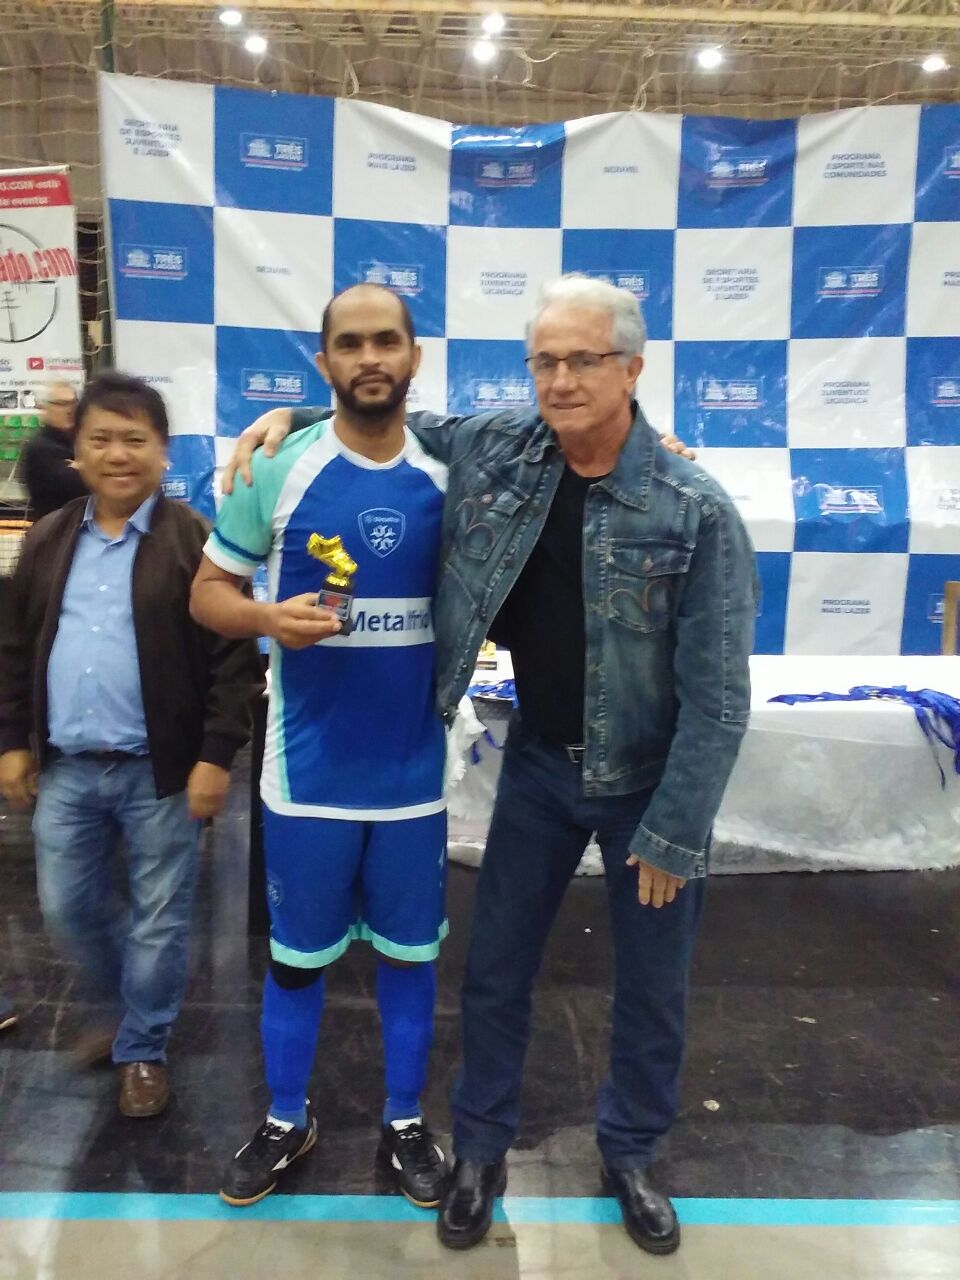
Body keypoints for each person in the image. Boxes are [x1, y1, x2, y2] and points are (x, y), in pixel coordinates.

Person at [226, 273, 756, 1256]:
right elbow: (389, 411)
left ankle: (632, 1155)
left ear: (633, 369)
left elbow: (721, 694)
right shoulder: (510, 449)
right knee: (495, 974)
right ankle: (476, 1152)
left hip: (647, 786)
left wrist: (678, 827)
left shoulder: (695, 509)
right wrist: (290, 414)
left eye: (584, 360)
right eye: (544, 361)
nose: (561, 380)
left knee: (653, 989)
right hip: (542, 772)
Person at [190, 285, 450, 1209]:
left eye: (386, 341)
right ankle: (285, 1118)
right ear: (325, 362)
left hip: (414, 779)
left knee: (410, 961)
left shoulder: (452, 471)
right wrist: (267, 618)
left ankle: (405, 1121)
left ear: (414, 356)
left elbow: (562, 448)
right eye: (350, 344)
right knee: (296, 962)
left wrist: (652, 440)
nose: (370, 357)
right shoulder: (278, 468)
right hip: (306, 780)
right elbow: (206, 594)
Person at [0, 372, 264, 1118]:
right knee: (66, 909)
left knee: (159, 920)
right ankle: (124, 1013)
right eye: (101, 440)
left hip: (162, 774)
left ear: (162, 452)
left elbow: (235, 663)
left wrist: (215, 756)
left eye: (134, 439)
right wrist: (12, 740)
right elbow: (13, 647)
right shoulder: (49, 538)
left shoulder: (196, 542)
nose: (118, 455)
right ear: (77, 452)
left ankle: (143, 1048)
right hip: (67, 769)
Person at [17, 380, 88, 520]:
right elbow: (80, 485)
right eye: (61, 404)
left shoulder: (78, 439)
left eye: (73, 403)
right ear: (44, 408)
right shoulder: (40, 448)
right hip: (57, 529)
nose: (70, 410)